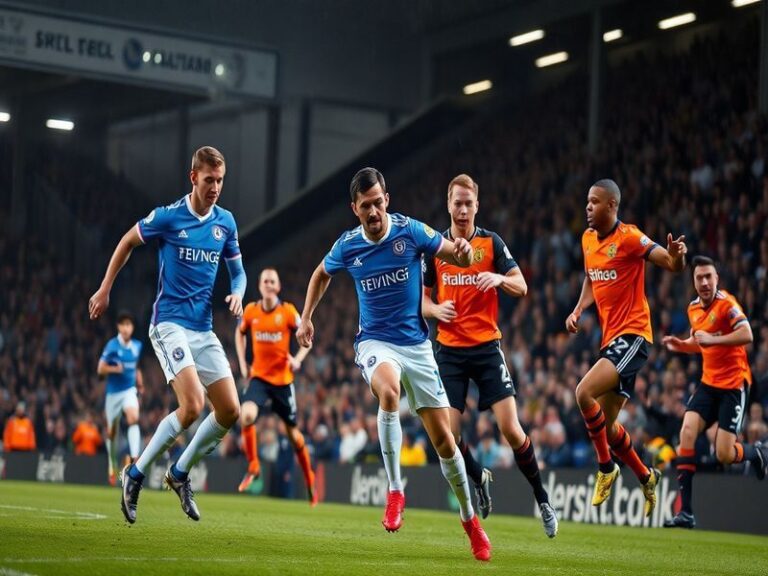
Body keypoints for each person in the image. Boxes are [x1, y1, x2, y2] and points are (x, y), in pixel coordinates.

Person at [297, 167, 491, 561]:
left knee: (445, 442)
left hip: (417, 346)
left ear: (387, 198)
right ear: (355, 208)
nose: (373, 211)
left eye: (378, 202)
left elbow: (452, 250)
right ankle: (395, 490)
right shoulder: (348, 245)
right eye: (365, 205)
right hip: (375, 341)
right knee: (388, 392)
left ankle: (471, 521)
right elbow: (321, 275)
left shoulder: (410, 231)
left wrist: (464, 252)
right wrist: (306, 316)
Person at [89, 146, 246, 524]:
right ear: (193, 178)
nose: (215, 188)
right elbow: (128, 241)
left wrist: (238, 293)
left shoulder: (225, 222)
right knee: (192, 405)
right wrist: (105, 287)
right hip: (169, 324)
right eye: (209, 180)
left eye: (220, 181)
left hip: (203, 329)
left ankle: (178, 474)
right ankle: (136, 473)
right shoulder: (169, 217)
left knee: (230, 410)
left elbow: (238, 272)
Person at [422, 173, 557, 537]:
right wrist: (435, 311)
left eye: (469, 203)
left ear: (476, 206)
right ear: (448, 204)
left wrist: (499, 279)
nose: (463, 209)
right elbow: (420, 299)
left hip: (485, 348)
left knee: (511, 429)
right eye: (457, 202)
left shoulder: (491, 243)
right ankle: (478, 473)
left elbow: (522, 286)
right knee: (446, 437)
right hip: (449, 350)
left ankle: (542, 498)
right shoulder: (436, 247)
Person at [566, 178, 687, 517]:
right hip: (611, 339)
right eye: (587, 201)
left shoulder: (630, 237)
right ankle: (646, 476)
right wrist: (578, 309)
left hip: (634, 336)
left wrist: (677, 258)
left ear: (612, 206)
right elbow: (591, 276)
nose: (588, 207)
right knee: (606, 425)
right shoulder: (588, 239)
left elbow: (668, 262)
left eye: (594, 202)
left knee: (582, 393)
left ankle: (606, 468)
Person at [662, 256, 768, 529]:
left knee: (723, 453)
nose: (705, 282)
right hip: (709, 384)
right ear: (694, 282)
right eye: (699, 278)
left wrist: (715, 339)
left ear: (717, 279)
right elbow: (701, 342)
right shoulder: (693, 309)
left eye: (709, 276)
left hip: (734, 385)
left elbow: (747, 334)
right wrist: (683, 345)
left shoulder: (727, 304)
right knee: (686, 431)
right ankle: (685, 512)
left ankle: (756, 453)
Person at [235, 268, 315, 503]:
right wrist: (242, 363)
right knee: (246, 415)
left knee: (294, 436)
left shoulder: (288, 312)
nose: (269, 284)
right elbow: (239, 334)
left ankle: (309, 478)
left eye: (273, 281)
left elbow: (307, 338)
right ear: (259, 286)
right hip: (259, 377)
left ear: (278, 287)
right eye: (265, 281)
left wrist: (297, 360)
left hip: (282, 381)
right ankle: (253, 466)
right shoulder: (250, 311)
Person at [97, 311, 144, 485]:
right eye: (123, 324)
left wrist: (140, 383)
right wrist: (114, 370)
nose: (126, 328)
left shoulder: (137, 346)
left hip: (129, 391)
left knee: (133, 418)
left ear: (132, 328)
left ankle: (134, 459)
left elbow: (136, 367)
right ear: (118, 327)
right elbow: (100, 369)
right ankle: (112, 464)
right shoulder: (112, 346)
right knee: (112, 432)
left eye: (129, 325)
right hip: (113, 394)